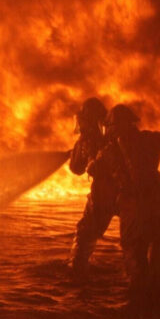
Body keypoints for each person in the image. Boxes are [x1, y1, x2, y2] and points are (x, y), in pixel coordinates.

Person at [102, 104, 160, 305]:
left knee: (139, 254)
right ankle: (156, 297)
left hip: (138, 208)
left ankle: (143, 300)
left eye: (113, 125)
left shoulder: (116, 148)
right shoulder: (145, 140)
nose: (111, 129)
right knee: (153, 251)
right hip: (149, 205)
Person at [66, 97, 119, 280]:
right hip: (127, 191)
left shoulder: (87, 138)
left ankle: (77, 271)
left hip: (103, 192)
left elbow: (76, 168)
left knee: (85, 233)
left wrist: (76, 151)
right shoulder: (115, 133)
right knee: (137, 239)